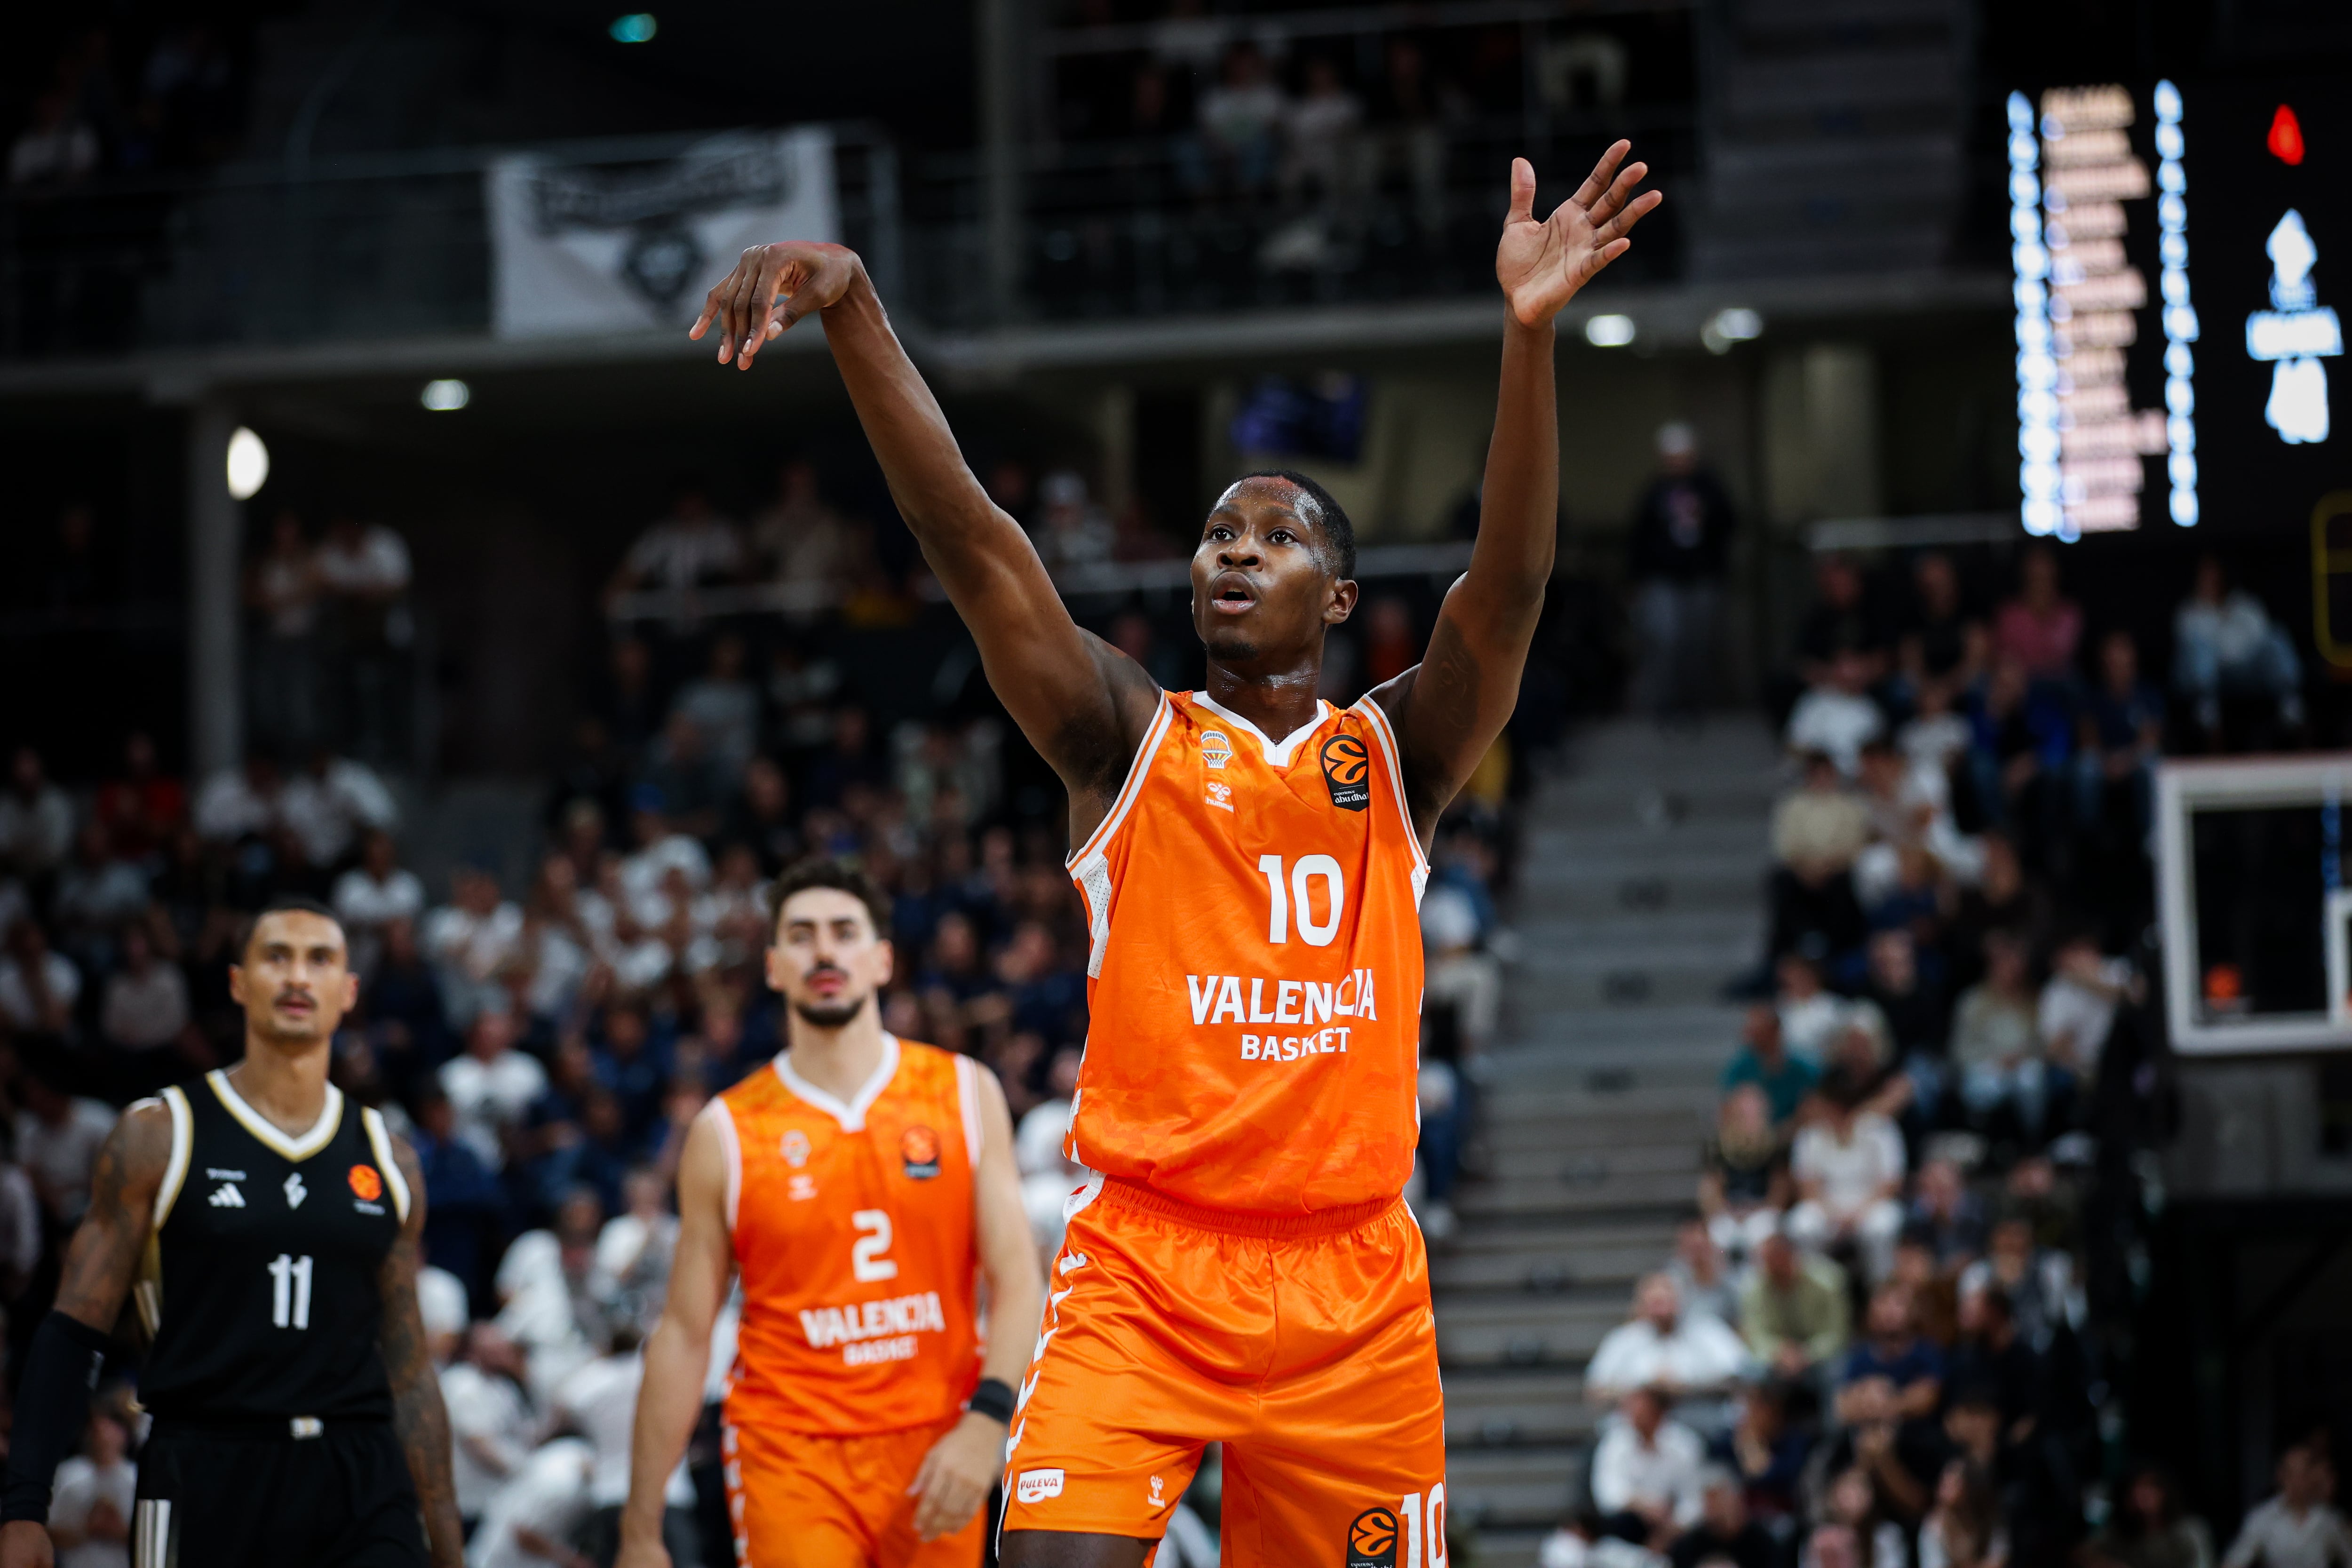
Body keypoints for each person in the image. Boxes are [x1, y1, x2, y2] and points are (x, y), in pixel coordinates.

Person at [683, 137, 1661, 1565]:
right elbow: (969, 539)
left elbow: (1505, 591)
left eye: (1274, 536)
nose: (1231, 551)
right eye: (1214, 533)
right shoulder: (1120, 737)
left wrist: (1527, 340)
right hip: (1146, 1266)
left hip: (1353, 1287)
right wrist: (855, 312)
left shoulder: (1399, 750)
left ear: (1335, 594)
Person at [0, 898, 463, 1568]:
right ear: (239, 983)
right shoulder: (159, 1135)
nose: (299, 977)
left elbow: (410, 1366)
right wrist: (22, 1507)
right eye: (277, 956)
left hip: (361, 1473)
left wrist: (448, 1543)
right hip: (206, 1464)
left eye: (320, 959)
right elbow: (75, 1328)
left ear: (348, 992)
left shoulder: (391, 1156)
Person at [617, 859, 1043, 1568]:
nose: (824, 951)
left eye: (845, 933)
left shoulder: (965, 1093)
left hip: (936, 1440)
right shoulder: (726, 1132)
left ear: (881, 960)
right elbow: (685, 1336)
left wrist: (989, 1423)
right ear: (774, 967)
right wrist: (639, 1530)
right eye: (802, 935)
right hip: (790, 1450)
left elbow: (1019, 1282)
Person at [1626, 422, 1738, 721]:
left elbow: (1729, 524)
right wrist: (1637, 579)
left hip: (1703, 578)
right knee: (1666, 640)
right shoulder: (1655, 490)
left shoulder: (1711, 486)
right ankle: (1665, 704)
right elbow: (1639, 536)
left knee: (1699, 643)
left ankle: (1697, 703)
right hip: (1663, 579)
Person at [1787, 1072, 1906, 1282]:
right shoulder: (1810, 1135)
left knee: (1881, 1228)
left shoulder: (1880, 1129)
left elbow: (1890, 1184)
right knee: (1802, 1226)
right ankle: (1816, 1290)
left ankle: (1881, 1292)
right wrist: (1834, 1214)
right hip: (1826, 1208)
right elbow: (1808, 1188)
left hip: (1871, 1206)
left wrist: (1857, 1214)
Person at [2173, 556, 2304, 738]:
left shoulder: (2245, 604)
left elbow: (2263, 637)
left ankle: (2290, 702)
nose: (2211, 580)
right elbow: (2187, 651)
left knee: (2277, 637)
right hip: (2209, 677)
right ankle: (2207, 713)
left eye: (2214, 575)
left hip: (2248, 671)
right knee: (2200, 651)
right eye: (2205, 576)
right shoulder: (2189, 611)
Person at [1586, 1274, 1756, 1406]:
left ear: (1681, 1299)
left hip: (1701, 1411)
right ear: (1641, 1305)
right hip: (1634, 1420)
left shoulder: (1707, 1331)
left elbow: (1740, 1372)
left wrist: (1689, 1386)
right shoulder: (1623, 1340)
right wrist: (1645, 1388)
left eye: (1667, 1299)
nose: (1662, 1310)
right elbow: (1595, 1390)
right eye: (1656, 1302)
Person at [1589, 1386, 1708, 1549]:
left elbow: (1694, 1500)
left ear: (1660, 1412)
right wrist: (1645, 1506)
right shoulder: (1614, 1443)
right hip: (1628, 1527)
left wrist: (1672, 1528)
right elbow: (1608, 1495)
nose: (1635, 1416)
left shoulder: (1685, 1445)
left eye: (1642, 1410)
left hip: (1674, 1530)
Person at [1739, 1228, 1850, 1383]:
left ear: (1791, 1256)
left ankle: (1831, 1409)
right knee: (1750, 1370)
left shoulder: (1828, 1282)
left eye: (1777, 1259)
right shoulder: (1755, 1288)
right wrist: (1780, 1352)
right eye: (1767, 1261)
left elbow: (1837, 1334)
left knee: (1835, 1369)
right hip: (1779, 1359)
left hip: (1818, 1357)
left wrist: (1806, 1354)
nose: (1771, 1267)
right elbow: (1756, 1334)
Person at [2219, 1444, 2350, 1568]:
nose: (2297, 1481)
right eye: (2291, 1473)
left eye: (2303, 1474)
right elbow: (2235, 1561)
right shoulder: (2263, 1517)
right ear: (2280, 1475)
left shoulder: (2329, 1518)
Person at [43, 1411, 134, 1568]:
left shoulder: (136, 1478)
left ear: (124, 1433)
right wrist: (87, 1528)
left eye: (110, 1427)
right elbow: (47, 1531)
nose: (103, 1434)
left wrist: (118, 1530)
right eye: (96, 1428)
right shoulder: (67, 1474)